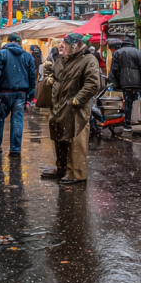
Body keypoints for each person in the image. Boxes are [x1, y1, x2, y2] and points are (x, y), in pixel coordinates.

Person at [43, 33, 101, 184]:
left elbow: (92, 84)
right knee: (60, 138)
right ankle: (61, 169)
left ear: (75, 46)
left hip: (76, 109)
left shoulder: (89, 60)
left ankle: (77, 173)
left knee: (76, 141)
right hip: (59, 107)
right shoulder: (62, 60)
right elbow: (54, 75)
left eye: (65, 43)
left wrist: (76, 100)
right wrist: (50, 79)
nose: (61, 46)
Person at [0, 33, 36, 158]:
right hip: (21, 93)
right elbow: (32, 77)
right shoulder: (28, 56)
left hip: (4, 92)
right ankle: (15, 148)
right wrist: (31, 95)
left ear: (8, 41)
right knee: (17, 120)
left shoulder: (1, 54)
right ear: (19, 42)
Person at [107, 37, 141, 133]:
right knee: (135, 101)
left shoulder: (117, 53)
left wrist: (118, 82)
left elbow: (114, 69)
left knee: (127, 102)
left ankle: (127, 124)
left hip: (125, 82)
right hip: (137, 82)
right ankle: (136, 122)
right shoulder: (137, 52)